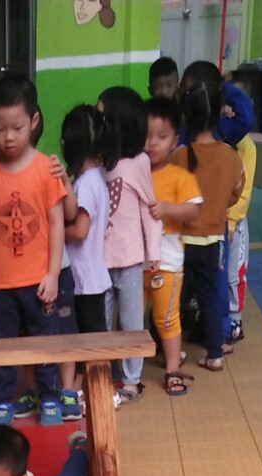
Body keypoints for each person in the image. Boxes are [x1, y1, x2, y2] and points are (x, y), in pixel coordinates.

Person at [0, 74, 67, 428]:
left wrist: (53, 274)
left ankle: (50, 397)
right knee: (3, 345)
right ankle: (2, 401)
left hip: (39, 280)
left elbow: (57, 224)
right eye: (0, 129)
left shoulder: (46, 170)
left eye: (17, 127)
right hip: (0, 283)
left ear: (34, 121)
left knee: (45, 343)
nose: (8, 137)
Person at [172, 78, 244, 373]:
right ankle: (215, 354)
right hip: (213, 241)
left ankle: (169, 352)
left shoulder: (179, 155)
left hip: (180, 242)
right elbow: (236, 192)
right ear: (218, 114)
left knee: (173, 298)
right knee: (211, 298)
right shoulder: (230, 156)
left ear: (185, 116)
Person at [98, 86, 160, 407]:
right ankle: (102, 376)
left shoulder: (138, 163)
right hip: (100, 262)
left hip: (131, 259)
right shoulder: (98, 163)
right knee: (102, 321)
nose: (96, 123)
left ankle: (132, 380)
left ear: (118, 123)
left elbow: (150, 210)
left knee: (133, 323)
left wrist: (154, 253)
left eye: (101, 117)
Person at [143, 97, 203, 395]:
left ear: (175, 141)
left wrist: (167, 208)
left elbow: (194, 210)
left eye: (162, 136)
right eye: (146, 135)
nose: (152, 143)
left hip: (167, 260)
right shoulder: (132, 171)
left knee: (166, 318)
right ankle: (126, 372)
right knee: (128, 318)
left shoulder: (180, 176)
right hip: (134, 260)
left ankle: (171, 369)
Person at [54, 102, 114, 336]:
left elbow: (80, 231)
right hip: (91, 276)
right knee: (92, 336)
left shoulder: (86, 184)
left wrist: (54, 230)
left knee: (90, 339)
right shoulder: (96, 178)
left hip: (84, 279)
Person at [224, 70, 258, 345]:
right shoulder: (220, 138)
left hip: (235, 221)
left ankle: (235, 319)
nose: (230, 110)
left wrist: (233, 220)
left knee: (234, 272)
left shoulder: (246, 147)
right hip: (214, 217)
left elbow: (243, 191)